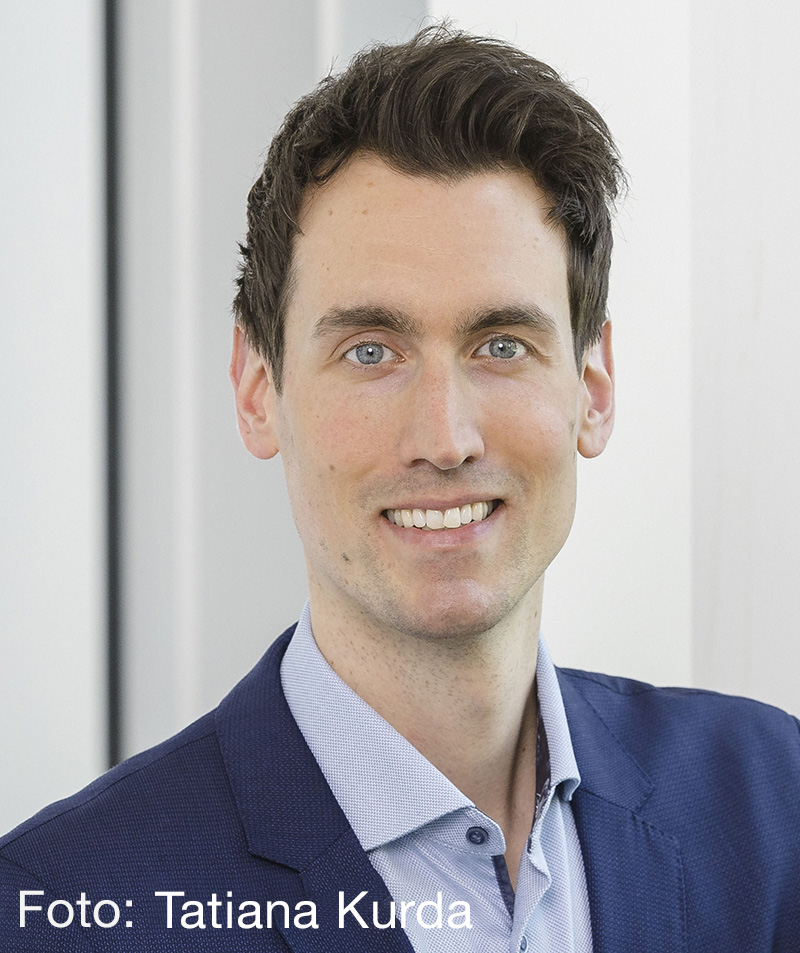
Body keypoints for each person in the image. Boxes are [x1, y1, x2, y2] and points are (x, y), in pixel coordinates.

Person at [2, 26, 799, 953]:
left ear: (593, 386)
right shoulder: (63, 909)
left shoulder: (771, 809)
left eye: (502, 345)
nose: (444, 438)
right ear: (257, 391)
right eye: (370, 351)